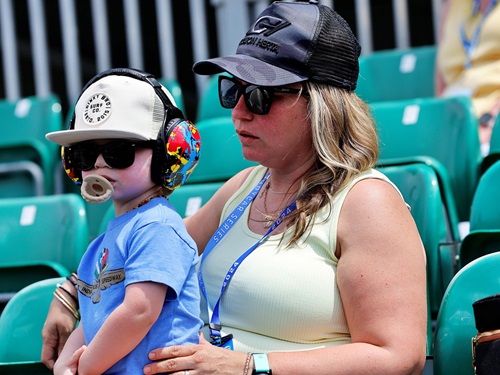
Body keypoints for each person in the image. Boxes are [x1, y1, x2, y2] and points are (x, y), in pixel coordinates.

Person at [42, 2, 428, 374]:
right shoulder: (245, 187)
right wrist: (71, 293)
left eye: (259, 96)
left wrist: (249, 366)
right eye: (233, 91)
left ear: (320, 104)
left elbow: (398, 356)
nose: (238, 110)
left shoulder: (368, 202)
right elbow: (153, 254)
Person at [44, 68, 203, 374]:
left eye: (119, 152)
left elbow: (139, 310)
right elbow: (93, 316)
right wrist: (67, 362)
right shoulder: (100, 244)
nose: (99, 163)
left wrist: (86, 367)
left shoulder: (157, 226)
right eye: (86, 154)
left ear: (166, 153)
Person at [435, 0, 500, 155]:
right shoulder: (454, 4)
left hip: (491, 119)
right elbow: (440, 74)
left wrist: (490, 122)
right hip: (452, 119)